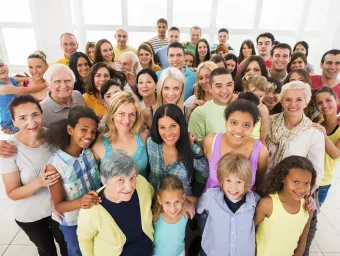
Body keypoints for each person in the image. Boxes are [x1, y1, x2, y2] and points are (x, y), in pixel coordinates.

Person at [0, 95, 67, 256]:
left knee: (66, 246)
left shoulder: (54, 136)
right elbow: (13, 193)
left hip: (57, 209)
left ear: (42, 114)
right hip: (30, 216)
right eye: (22, 118)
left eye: (35, 114)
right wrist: (38, 182)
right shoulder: (8, 149)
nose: (31, 122)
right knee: (47, 251)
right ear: (14, 121)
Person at [266, 81, 325, 254]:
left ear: (306, 102)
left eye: (299, 99)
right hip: (266, 188)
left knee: (288, 241)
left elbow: (316, 170)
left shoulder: (313, 132)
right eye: (288, 99)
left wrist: (306, 194)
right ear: (281, 101)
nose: (293, 104)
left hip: (293, 194)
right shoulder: (268, 123)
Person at [46, 106, 102, 256]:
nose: (89, 135)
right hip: (73, 223)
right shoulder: (55, 165)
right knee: (78, 252)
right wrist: (80, 202)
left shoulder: (90, 152)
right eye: (83, 130)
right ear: (70, 130)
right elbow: (58, 206)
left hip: (96, 215)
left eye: (93, 131)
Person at [77, 151, 154, 256]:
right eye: (121, 180)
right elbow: (85, 240)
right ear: (105, 181)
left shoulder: (142, 184)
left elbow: (154, 200)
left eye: (132, 178)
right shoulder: (92, 209)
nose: (129, 186)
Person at [197, 153, 260, 256]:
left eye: (239, 182)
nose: (233, 188)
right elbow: (199, 210)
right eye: (228, 180)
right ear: (222, 180)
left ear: (246, 182)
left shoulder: (254, 201)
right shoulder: (210, 197)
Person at [203, 99, 268, 193]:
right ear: (226, 122)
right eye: (234, 123)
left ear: (253, 127)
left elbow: (259, 183)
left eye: (246, 125)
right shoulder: (211, 142)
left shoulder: (261, 152)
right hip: (209, 205)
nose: (238, 130)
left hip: (243, 206)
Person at [255, 156, 315, 256]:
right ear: (283, 178)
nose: (301, 188)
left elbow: (303, 239)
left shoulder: (307, 207)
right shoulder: (267, 204)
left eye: (307, 183)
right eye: (296, 182)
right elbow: (249, 232)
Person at [147, 104, 209, 200]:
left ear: (181, 125)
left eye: (173, 126)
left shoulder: (192, 149)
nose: (168, 133)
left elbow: (207, 173)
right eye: (162, 127)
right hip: (154, 201)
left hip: (182, 205)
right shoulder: (151, 144)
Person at [92, 91, 149, 178]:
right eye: (121, 114)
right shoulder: (98, 144)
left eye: (132, 114)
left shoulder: (144, 136)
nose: (127, 120)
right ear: (112, 114)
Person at [188, 68, 237, 142]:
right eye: (218, 86)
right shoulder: (200, 112)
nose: (224, 90)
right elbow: (196, 147)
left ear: (233, 85)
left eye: (229, 85)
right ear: (210, 88)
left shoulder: (245, 108)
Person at [0, 59, 46, 133]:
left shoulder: (11, 79)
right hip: (10, 122)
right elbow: (29, 90)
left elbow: (30, 78)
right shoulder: (2, 88)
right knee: (32, 132)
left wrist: (37, 77)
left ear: (6, 66)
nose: (0, 69)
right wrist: (47, 83)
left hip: (20, 116)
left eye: (1, 65)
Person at [312, 87, 340, 206]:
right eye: (320, 102)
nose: (324, 105)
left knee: (312, 218)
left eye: (328, 100)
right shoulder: (317, 121)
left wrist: (324, 135)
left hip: (322, 183)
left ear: (337, 101)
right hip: (308, 179)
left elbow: (335, 154)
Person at [153, 176, 187, 256]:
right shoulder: (155, 216)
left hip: (180, 253)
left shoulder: (186, 214)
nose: (173, 209)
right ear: (160, 200)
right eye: (167, 203)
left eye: (177, 202)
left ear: (183, 198)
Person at [242, 75, 269, 144]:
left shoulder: (263, 109)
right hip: (240, 136)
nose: (257, 99)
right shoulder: (241, 103)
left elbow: (264, 127)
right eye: (254, 95)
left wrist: (262, 141)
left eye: (260, 96)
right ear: (246, 91)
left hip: (254, 140)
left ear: (265, 94)